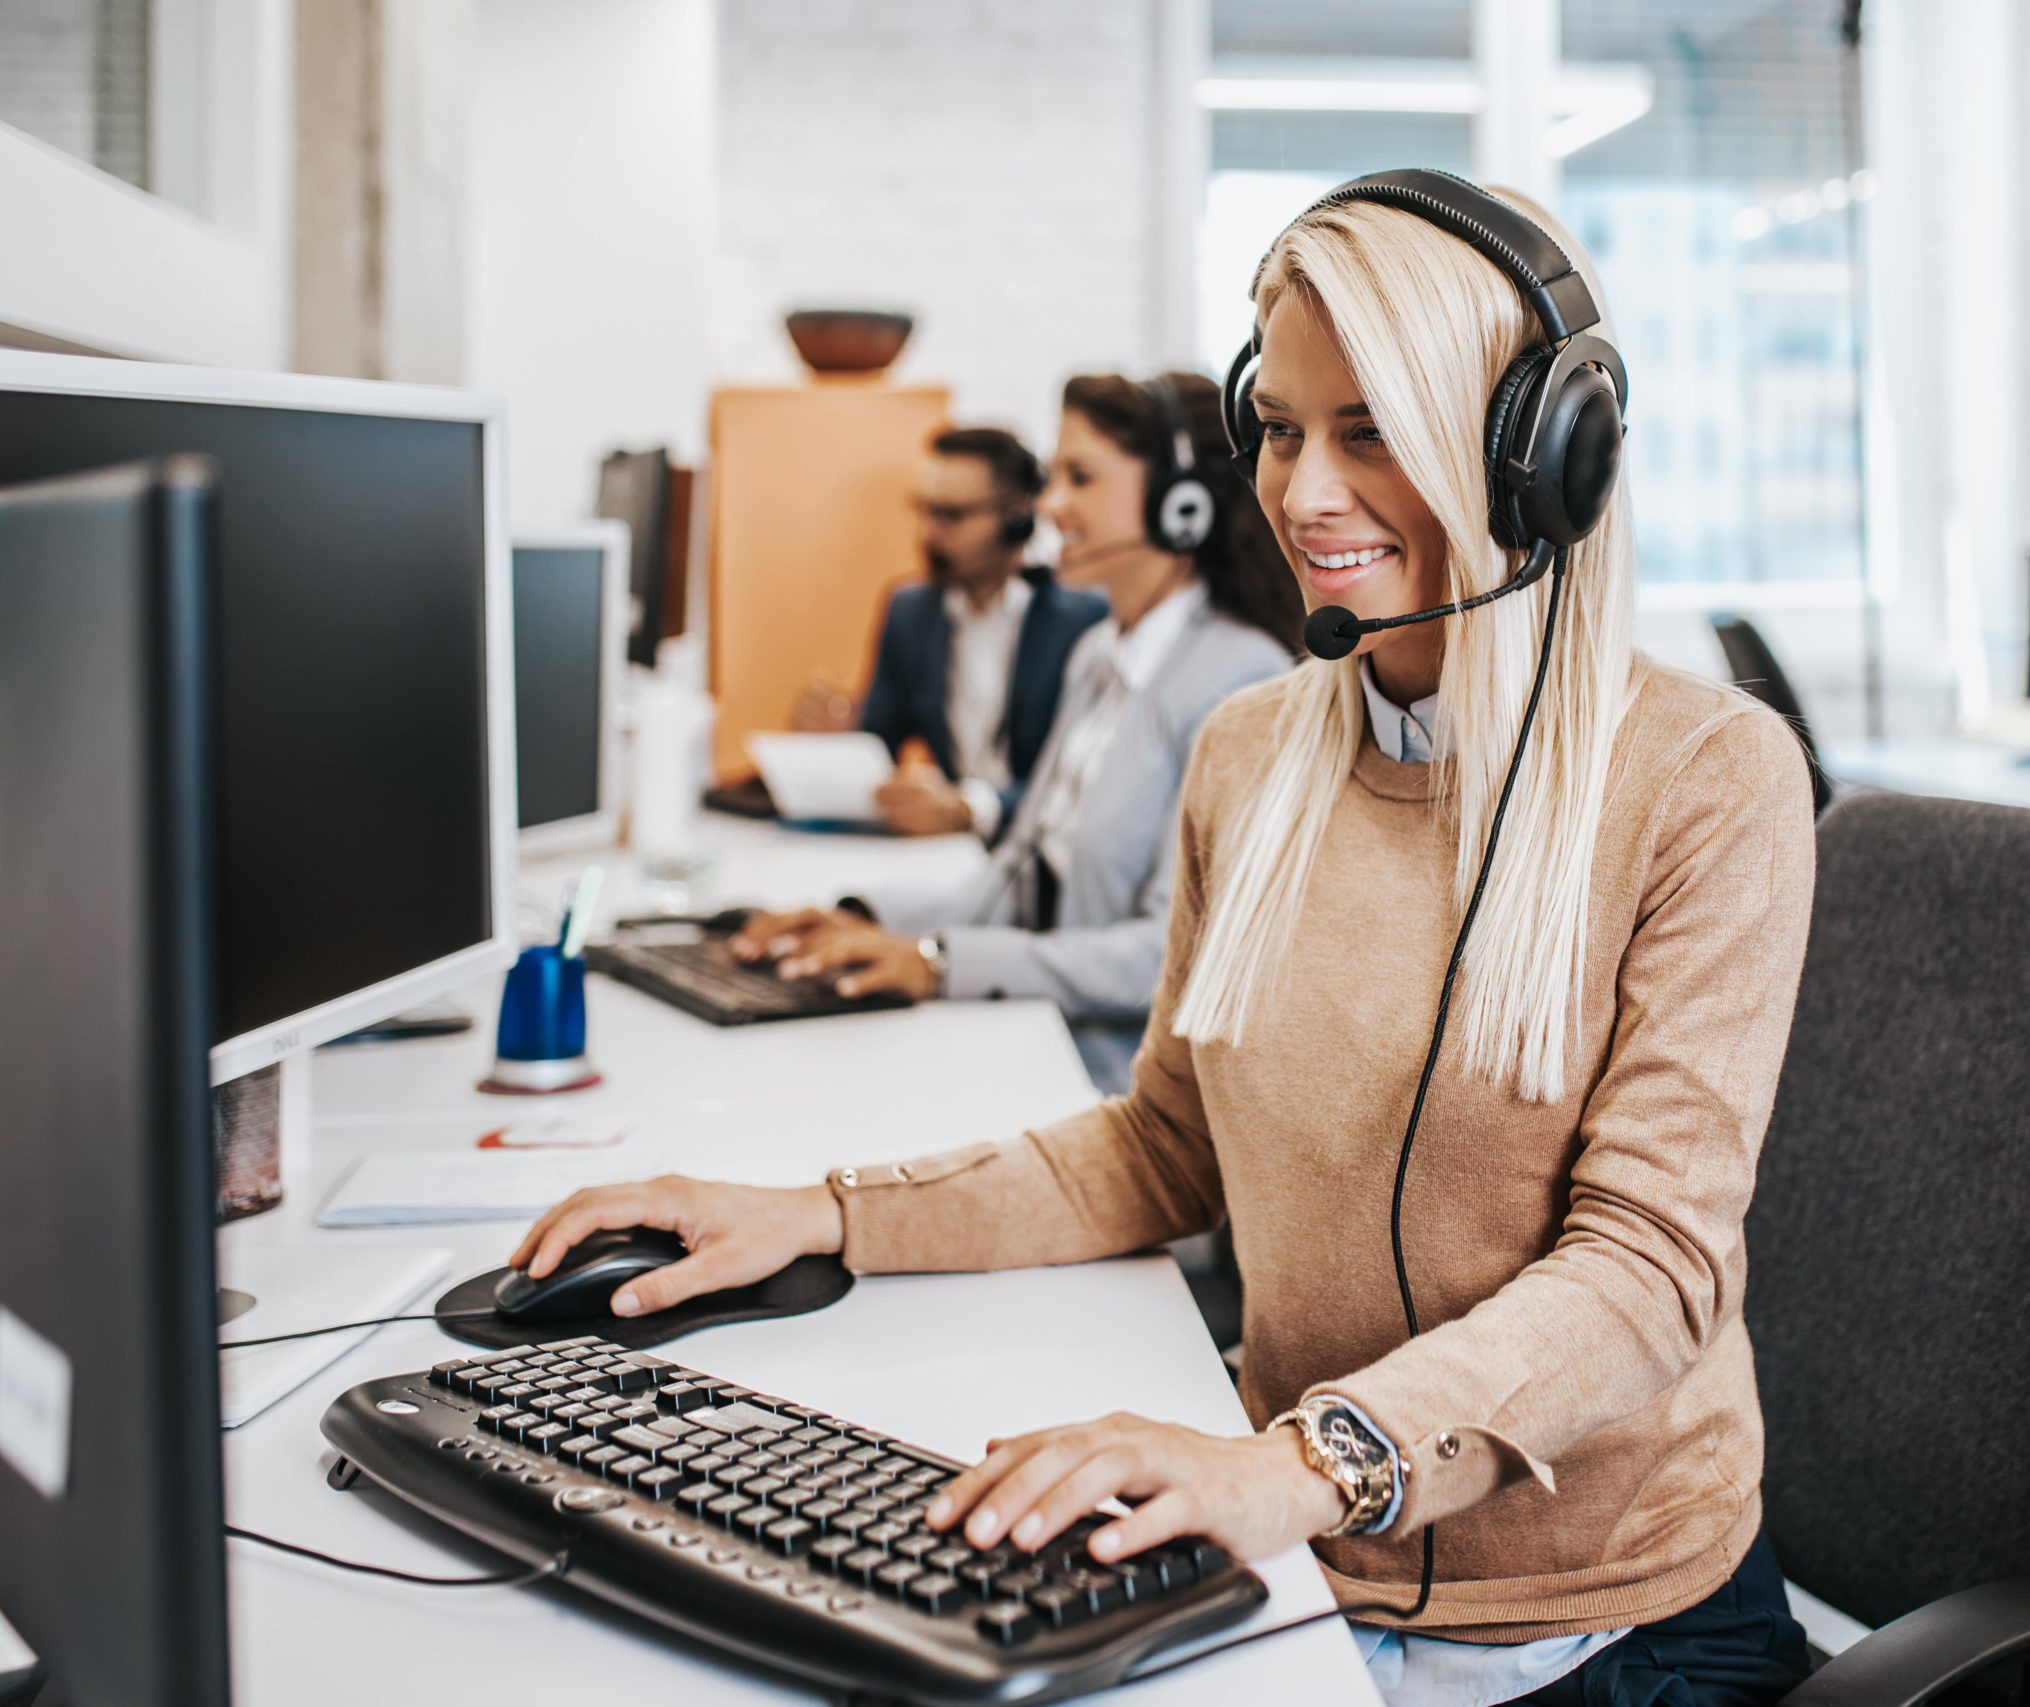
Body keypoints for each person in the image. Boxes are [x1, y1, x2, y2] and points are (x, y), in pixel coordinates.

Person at [516, 174, 1817, 1706]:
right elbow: (1162, 1148)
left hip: (1593, 1626)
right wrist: (823, 1212)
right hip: (1305, 1562)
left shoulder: (1705, 777)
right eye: (1284, 429)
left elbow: (1649, 1270)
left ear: (1544, 460)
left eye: (1374, 429)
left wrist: (1301, 1464)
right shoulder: (1253, 752)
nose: (1307, 494)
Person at [736, 373, 1300, 1094]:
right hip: (1037, 1038)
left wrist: (938, 962)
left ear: (1180, 505)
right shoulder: (1099, 656)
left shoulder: (1237, 680)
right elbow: (1015, 880)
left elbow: (1166, 958)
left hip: (1118, 1086)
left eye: (1081, 477)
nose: (1050, 504)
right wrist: (858, 917)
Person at [794, 425, 1108, 841]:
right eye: (923, 510)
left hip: (1041, 853)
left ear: (1017, 518)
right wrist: (839, 738)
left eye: (951, 515)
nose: (927, 533)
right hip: (946, 852)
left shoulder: (1084, 619)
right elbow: (878, 741)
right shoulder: (909, 610)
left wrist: (970, 808)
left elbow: (1083, 784)